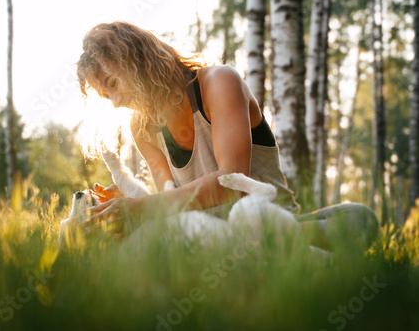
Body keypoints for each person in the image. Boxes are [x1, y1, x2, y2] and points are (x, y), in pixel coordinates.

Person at [76, 21, 378, 250]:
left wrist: (143, 209)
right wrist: (132, 203)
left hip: (269, 220)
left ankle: (281, 243)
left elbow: (232, 182)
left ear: (136, 59)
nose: (115, 102)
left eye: (113, 84)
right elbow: (171, 202)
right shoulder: (142, 130)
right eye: (106, 96)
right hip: (210, 235)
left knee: (361, 219)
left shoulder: (218, 83)